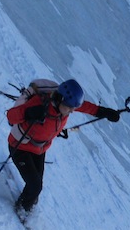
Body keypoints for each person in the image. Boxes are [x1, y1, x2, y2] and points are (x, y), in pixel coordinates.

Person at [6, 78, 121, 217]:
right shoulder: (39, 103)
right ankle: (22, 210)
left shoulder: (66, 105)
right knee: (35, 185)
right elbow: (11, 117)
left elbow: (85, 107)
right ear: (58, 99)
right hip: (20, 147)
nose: (71, 111)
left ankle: (28, 201)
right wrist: (29, 113)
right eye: (69, 107)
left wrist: (105, 112)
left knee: (36, 184)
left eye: (73, 108)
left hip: (39, 150)